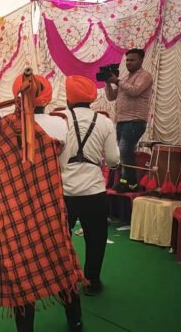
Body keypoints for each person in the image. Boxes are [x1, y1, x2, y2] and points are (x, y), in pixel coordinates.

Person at [0, 70, 86, 332]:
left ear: (16, 97)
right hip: (48, 203)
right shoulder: (59, 124)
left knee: (20, 266)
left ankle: (25, 328)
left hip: (12, 208)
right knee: (59, 257)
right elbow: (62, 161)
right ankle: (75, 320)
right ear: (45, 98)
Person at [62, 76, 120, 296]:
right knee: (95, 239)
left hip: (64, 191)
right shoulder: (105, 122)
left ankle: (63, 279)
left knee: (60, 238)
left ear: (69, 98)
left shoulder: (59, 119)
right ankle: (92, 280)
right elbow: (114, 160)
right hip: (94, 191)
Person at [105, 48, 153, 192]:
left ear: (141, 60)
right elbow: (111, 97)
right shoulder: (125, 77)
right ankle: (124, 181)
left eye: (132, 60)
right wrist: (108, 83)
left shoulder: (145, 76)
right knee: (122, 152)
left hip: (135, 120)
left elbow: (135, 91)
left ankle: (131, 183)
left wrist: (117, 81)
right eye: (127, 60)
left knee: (124, 150)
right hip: (121, 121)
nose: (129, 63)